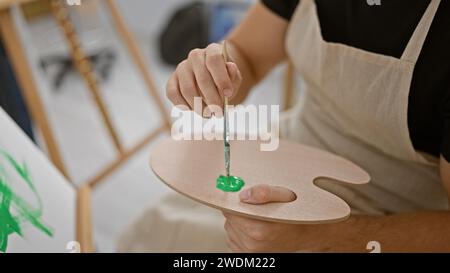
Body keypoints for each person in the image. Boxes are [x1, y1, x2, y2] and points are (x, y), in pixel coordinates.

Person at [163, 0, 450, 252]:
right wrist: (215, 73)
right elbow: (246, 54)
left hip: (392, 218)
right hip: (288, 153)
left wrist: (318, 236)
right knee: (167, 229)